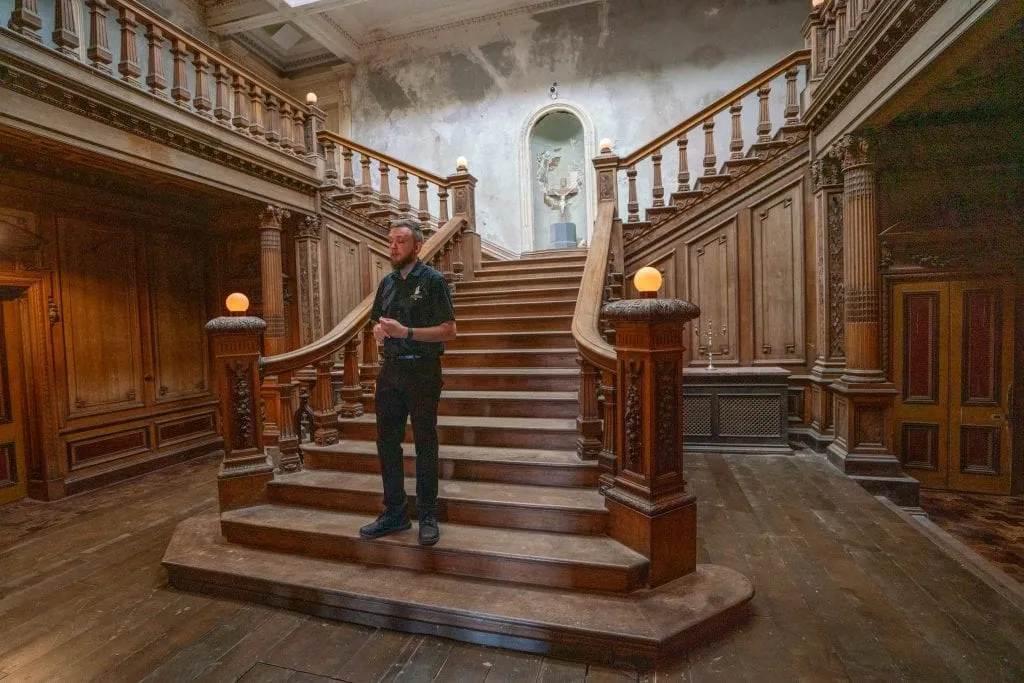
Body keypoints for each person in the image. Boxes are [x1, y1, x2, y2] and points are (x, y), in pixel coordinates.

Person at [358, 218, 456, 546]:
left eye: (400, 241)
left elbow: (449, 329)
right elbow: (375, 324)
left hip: (423, 370)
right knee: (387, 443)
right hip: (391, 371)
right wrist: (378, 333)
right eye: (390, 241)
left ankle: (427, 514)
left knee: (425, 442)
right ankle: (395, 513)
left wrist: (407, 333)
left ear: (416, 246)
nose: (393, 246)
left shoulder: (433, 280)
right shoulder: (386, 283)